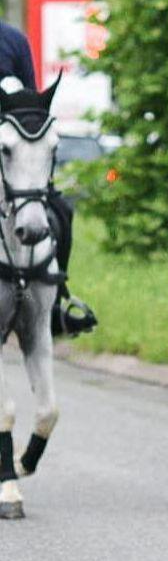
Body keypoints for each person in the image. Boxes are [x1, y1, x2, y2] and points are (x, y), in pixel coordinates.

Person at [0, 19, 95, 336]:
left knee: (62, 210)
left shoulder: (14, 40)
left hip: (12, 149)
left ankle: (55, 302)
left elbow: (31, 99)